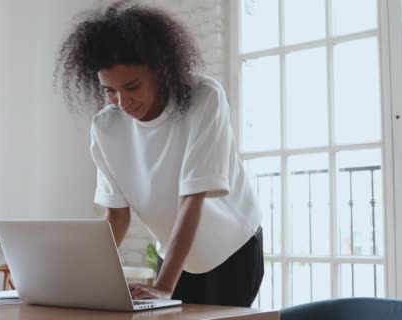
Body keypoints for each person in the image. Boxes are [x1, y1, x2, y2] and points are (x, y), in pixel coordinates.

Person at [55, 1, 264, 307]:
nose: (122, 101)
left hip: (232, 246)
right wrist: (84, 280)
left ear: (161, 70)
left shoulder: (203, 99)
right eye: (109, 90)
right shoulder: (106, 127)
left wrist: (164, 286)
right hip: (176, 254)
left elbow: (192, 200)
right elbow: (115, 215)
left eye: (132, 86)